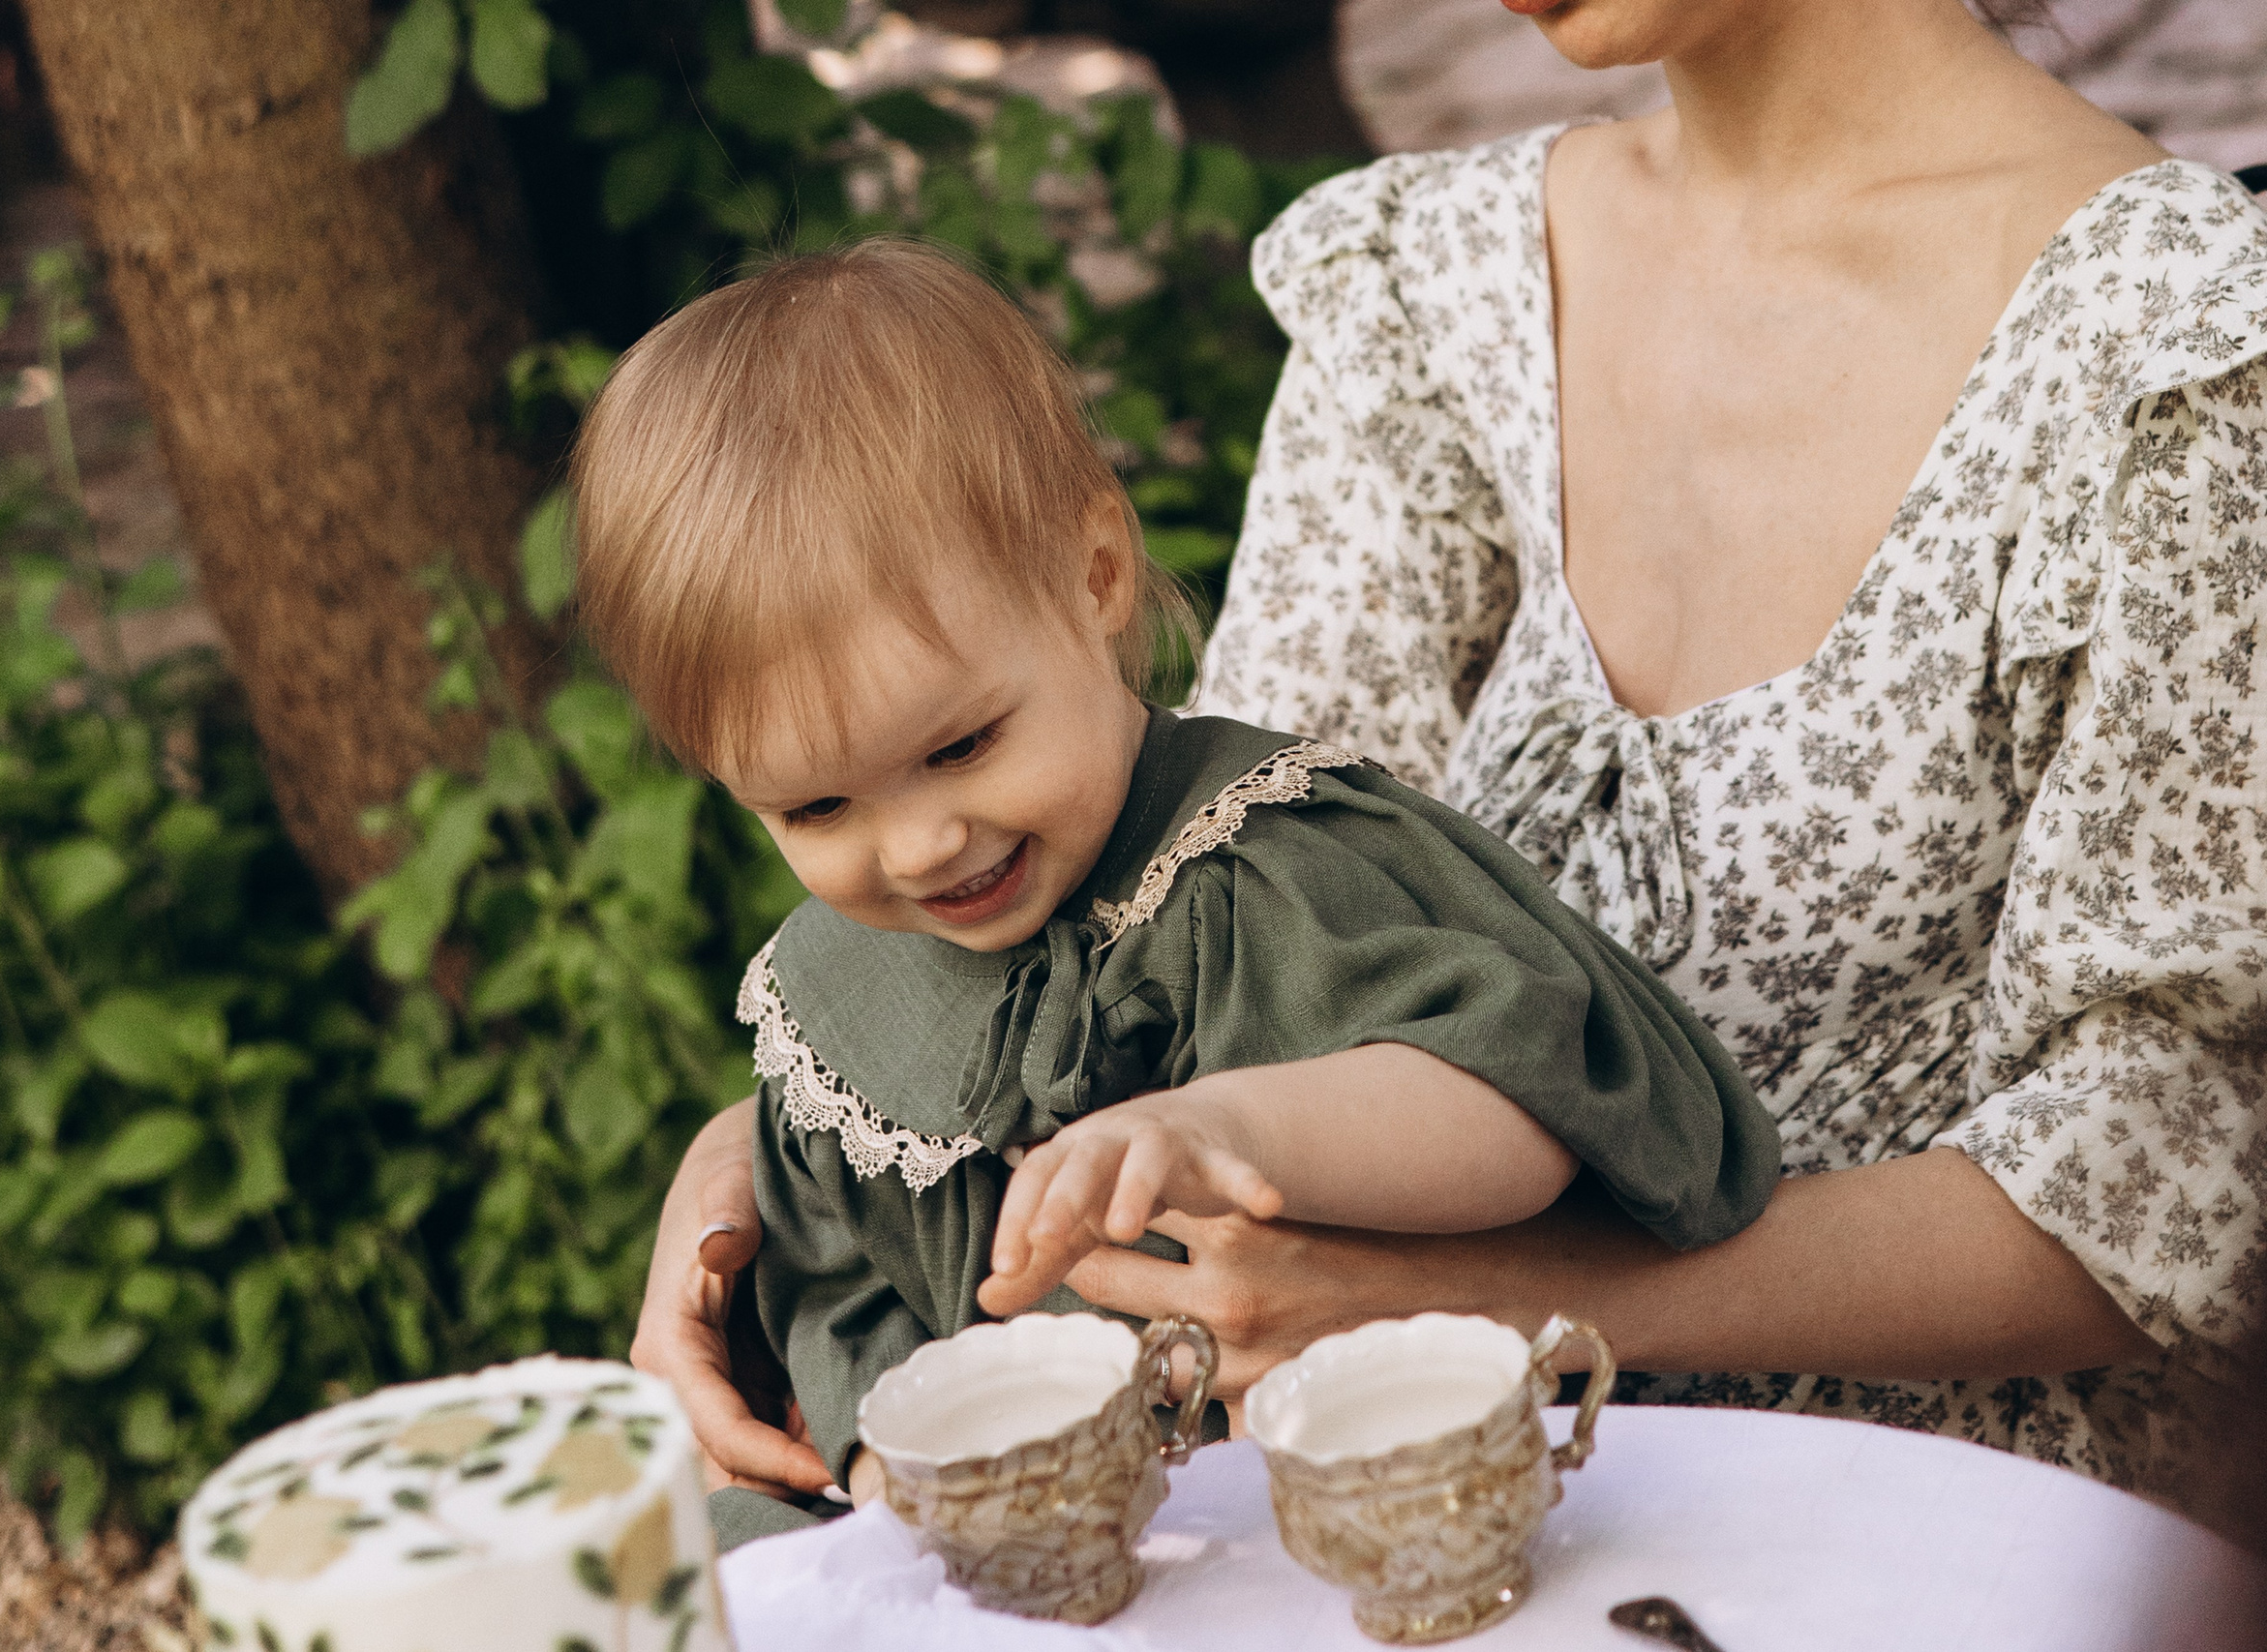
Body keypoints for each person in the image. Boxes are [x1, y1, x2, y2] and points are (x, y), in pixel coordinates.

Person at [633, 0, 2267, 1524]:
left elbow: (2171, 1185)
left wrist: (1529, 1300)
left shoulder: (2174, 347)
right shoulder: (1437, 280)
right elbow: (1162, 915)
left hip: (1913, 1508)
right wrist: (792, 1152)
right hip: (1388, 1485)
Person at [570, 241, 1782, 1545]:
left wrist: (1238, 1129)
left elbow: (1521, 1096)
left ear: (1093, 578)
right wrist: (882, 1459)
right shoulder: (843, 997)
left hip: (1338, 1514)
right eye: (815, 808)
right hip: (1044, 1552)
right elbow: (835, 1289)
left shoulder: (1256, 869)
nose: (917, 847)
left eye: (962, 747)